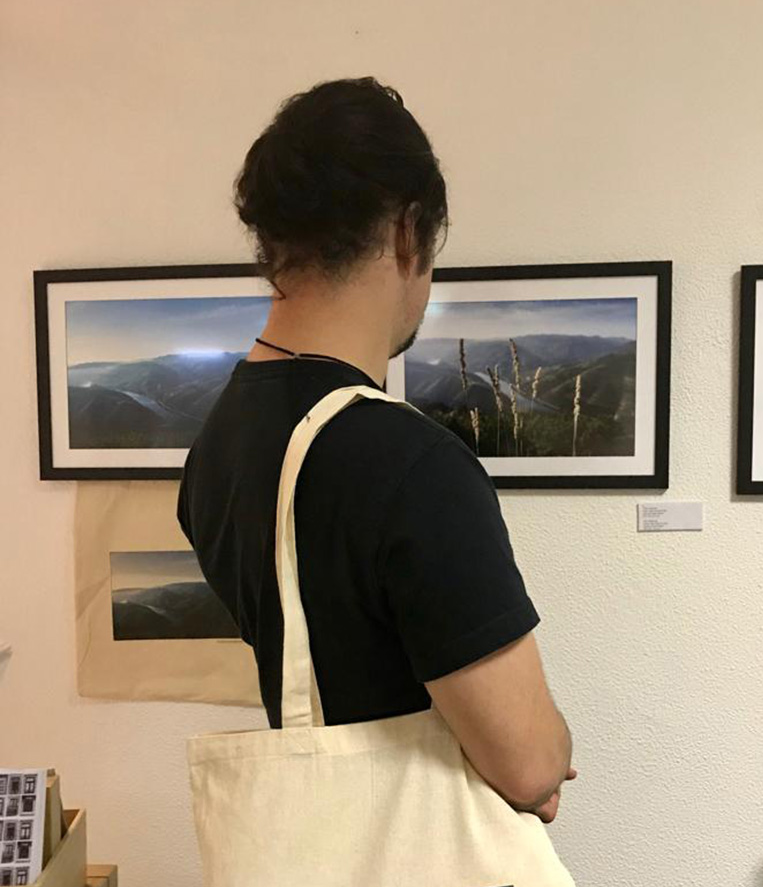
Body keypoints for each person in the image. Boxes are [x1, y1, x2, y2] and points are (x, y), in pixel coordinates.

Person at [177, 76, 576, 823]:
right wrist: (551, 755)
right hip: (419, 876)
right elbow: (527, 763)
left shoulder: (219, 441)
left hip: (312, 855)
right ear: (407, 233)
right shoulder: (410, 463)